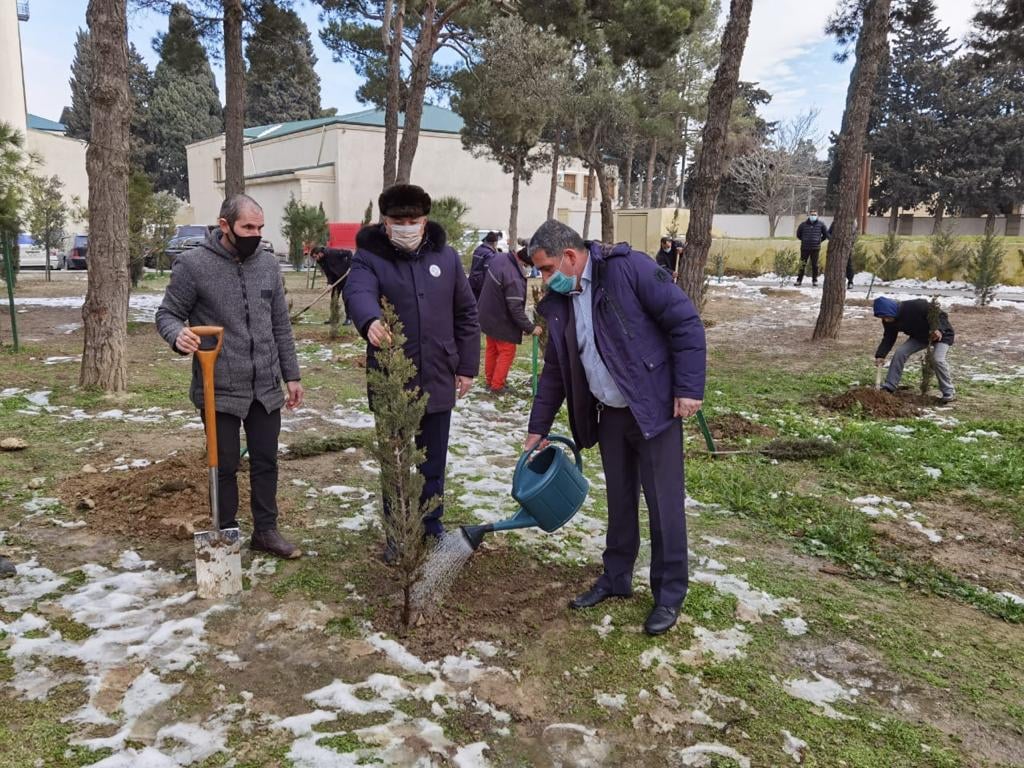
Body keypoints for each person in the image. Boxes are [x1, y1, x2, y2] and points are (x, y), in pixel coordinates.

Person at [524, 220, 706, 636]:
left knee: (663, 504)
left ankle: (669, 593)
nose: (543, 278)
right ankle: (616, 577)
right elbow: (556, 370)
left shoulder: (630, 270)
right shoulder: (563, 300)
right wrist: (538, 426)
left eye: (547, 268)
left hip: (654, 409)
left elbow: (685, 323)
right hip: (610, 414)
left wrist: (688, 388)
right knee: (620, 501)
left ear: (570, 257)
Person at [156, 194, 304, 559]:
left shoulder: (268, 265)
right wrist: (178, 335)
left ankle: (266, 531)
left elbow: (280, 325)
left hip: (265, 386)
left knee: (266, 460)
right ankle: (227, 531)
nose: (255, 234)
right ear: (225, 225)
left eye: (260, 227)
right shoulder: (193, 265)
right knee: (224, 463)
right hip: (218, 385)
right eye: (247, 227)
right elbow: (167, 314)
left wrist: (292, 375)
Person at [344, 184, 480, 556]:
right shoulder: (369, 258)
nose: (406, 226)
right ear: (385, 223)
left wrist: (466, 366)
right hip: (393, 379)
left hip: (438, 374)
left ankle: (432, 523)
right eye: (398, 221)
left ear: (425, 221)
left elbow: (466, 313)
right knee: (397, 460)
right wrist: (369, 320)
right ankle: (397, 533)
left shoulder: (447, 258)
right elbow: (357, 292)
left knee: (433, 458)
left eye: (413, 220)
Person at [477, 244, 542, 394]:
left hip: (487, 314)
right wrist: (531, 328)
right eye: (529, 267)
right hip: (501, 319)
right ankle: (497, 386)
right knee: (507, 351)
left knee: (492, 349)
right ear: (525, 263)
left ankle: (490, 380)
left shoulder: (500, 258)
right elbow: (515, 309)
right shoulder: (514, 278)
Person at [873, 296, 956, 403]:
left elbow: (942, 315)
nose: (885, 319)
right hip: (920, 337)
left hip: (942, 335)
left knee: (937, 359)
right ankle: (890, 386)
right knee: (900, 353)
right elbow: (889, 337)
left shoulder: (917, 306)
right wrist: (881, 355)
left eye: (886, 316)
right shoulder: (889, 320)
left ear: (892, 310)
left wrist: (939, 329)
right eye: (882, 317)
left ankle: (948, 392)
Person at [311, 245, 354, 325]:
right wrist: (329, 284)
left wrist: (350, 266)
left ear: (320, 253)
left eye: (315, 256)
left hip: (346, 276)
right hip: (336, 279)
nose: (315, 259)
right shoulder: (320, 261)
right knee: (334, 297)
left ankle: (349, 318)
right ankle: (334, 318)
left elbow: (349, 253)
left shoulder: (333, 252)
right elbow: (328, 273)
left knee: (346, 296)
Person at [795, 210, 829, 287]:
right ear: (809, 215)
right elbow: (798, 235)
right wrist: (804, 240)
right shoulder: (803, 225)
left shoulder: (821, 225)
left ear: (817, 216)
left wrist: (819, 241)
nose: (813, 216)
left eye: (814, 215)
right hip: (805, 248)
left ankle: (815, 280)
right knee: (802, 264)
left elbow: (825, 234)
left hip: (815, 248)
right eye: (812, 214)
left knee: (815, 265)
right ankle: (799, 280)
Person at [468, 231, 501, 299]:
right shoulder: (489, 254)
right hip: (481, 284)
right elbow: (488, 271)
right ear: (494, 243)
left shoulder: (478, 249)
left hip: (472, 281)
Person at [827, 220, 856, 289]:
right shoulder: (835, 222)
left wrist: (850, 243)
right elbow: (828, 233)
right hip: (836, 248)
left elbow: (854, 234)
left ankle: (850, 281)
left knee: (848, 265)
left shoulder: (852, 222)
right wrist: (832, 241)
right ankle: (834, 282)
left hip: (846, 247)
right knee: (834, 265)